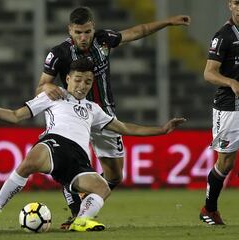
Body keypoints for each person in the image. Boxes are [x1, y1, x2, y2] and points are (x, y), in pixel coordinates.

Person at [0, 58, 186, 231]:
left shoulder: (94, 109)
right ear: (68, 79)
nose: (82, 85)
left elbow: (126, 128)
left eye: (88, 82)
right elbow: (16, 115)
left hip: (78, 160)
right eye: (78, 80)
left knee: (102, 187)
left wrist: (162, 129)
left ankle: (82, 220)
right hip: (55, 143)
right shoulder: (53, 95)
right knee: (30, 161)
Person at [36, 6, 191, 228]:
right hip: (73, 117)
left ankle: (80, 194)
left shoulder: (104, 40)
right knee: (72, 166)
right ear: (70, 30)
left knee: (115, 176)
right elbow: (41, 87)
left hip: (103, 116)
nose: (83, 37)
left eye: (87, 31)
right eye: (78, 32)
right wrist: (47, 88)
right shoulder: (59, 53)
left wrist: (167, 22)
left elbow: (139, 30)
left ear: (93, 28)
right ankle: (77, 211)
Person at [199, 0, 239, 226]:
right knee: (226, 163)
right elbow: (209, 73)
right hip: (229, 106)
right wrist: (231, 81)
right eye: (238, 3)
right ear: (230, 5)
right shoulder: (223, 36)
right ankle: (209, 209)